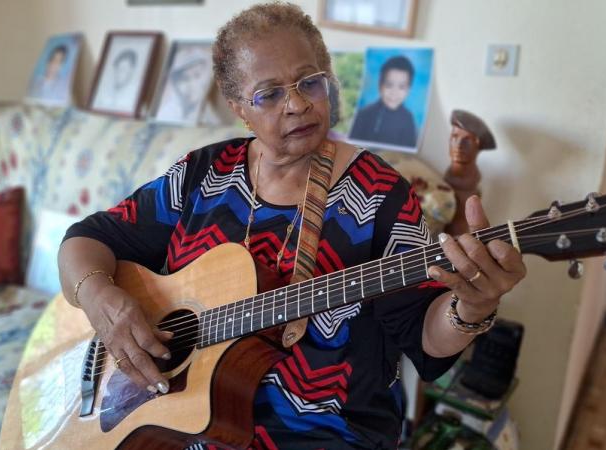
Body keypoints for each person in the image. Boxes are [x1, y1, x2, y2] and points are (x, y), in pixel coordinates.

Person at [58, 3, 525, 449]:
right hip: (182, 429)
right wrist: (102, 300)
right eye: (270, 93)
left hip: (329, 436)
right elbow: (85, 241)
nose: (297, 104)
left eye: (310, 83)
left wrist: (472, 306)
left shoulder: (379, 195)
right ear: (239, 106)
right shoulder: (203, 175)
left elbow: (425, 336)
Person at [444, 110, 497, 236]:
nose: (458, 145)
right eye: (454, 137)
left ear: (477, 144)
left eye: (467, 140)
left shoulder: (470, 186)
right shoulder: (448, 176)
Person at [348, 55, 418, 148]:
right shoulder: (364, 114)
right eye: (389, 85)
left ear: (408, 90)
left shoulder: (408, 119)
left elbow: (409, 151)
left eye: (401, 87)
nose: (394, 93)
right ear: (380, 85)